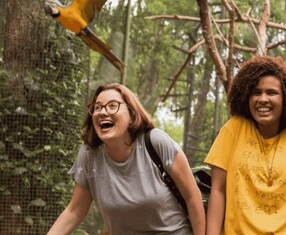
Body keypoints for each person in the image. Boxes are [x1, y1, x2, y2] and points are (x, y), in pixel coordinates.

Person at [47, 83, 205, 235]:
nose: (102, 112)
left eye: (112, 105)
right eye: (97, 107)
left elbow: (192, 196)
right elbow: (75, 211)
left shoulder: (156, 142)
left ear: (131, 114)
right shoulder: (89, 155)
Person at [205, 55, 286, 234]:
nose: (263, 99)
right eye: (256, 92)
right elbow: (218, 190)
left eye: (271, 92)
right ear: (246, 96)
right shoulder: (233, 128)